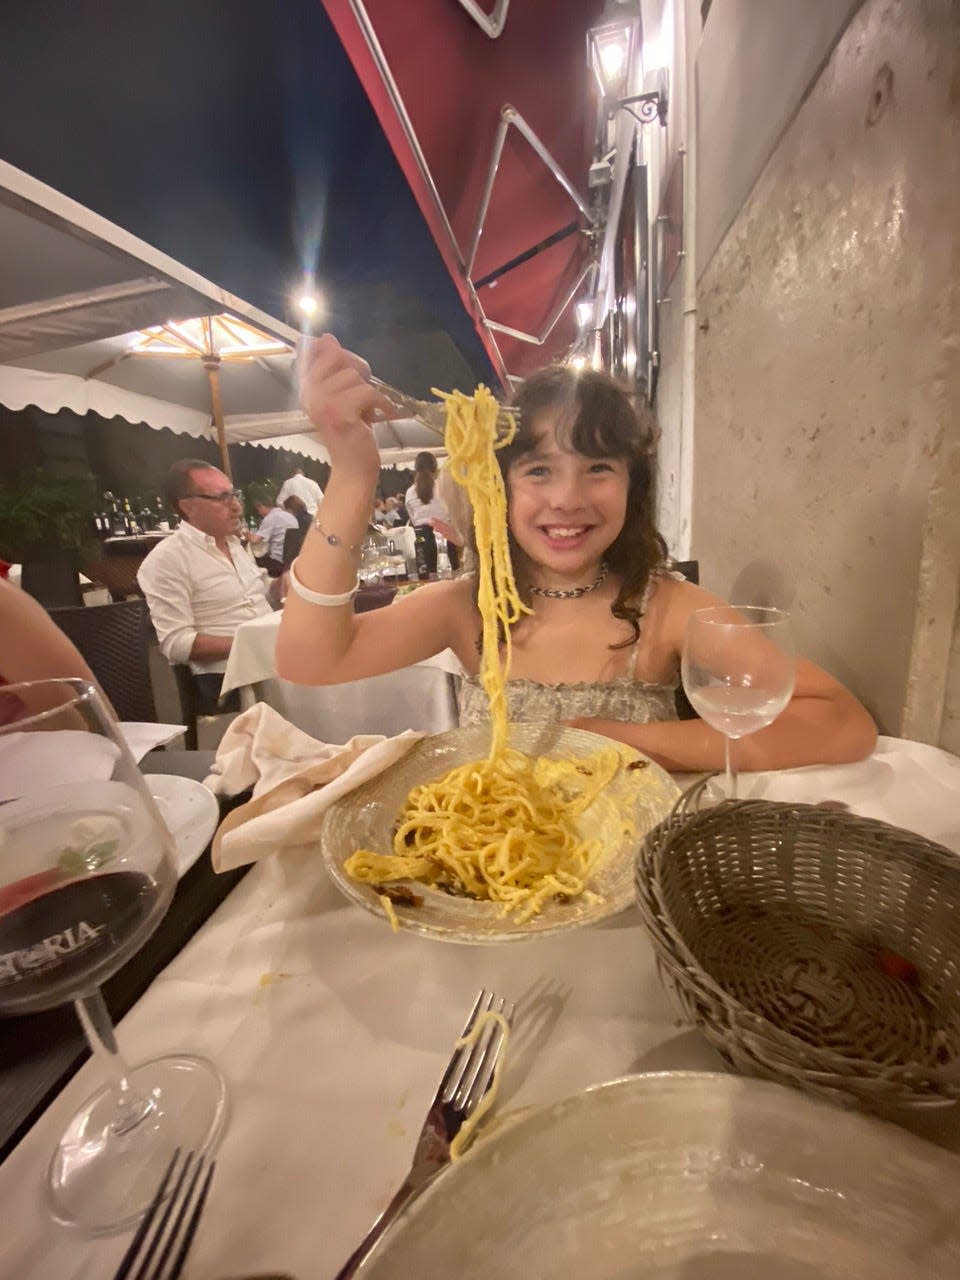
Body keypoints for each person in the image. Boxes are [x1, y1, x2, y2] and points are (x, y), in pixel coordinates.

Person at [276, 335, 877, 773]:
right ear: (498, 485)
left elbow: (840, 722)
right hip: (493, 890)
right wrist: (354, 472)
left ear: (632, 487)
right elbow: (308, 661)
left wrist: (611, 738)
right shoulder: (470, 607)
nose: (568, 499)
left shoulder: (666, 607)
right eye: (538, 470)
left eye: (598, 469)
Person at [138, 460, 278, 709]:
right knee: (323, 677)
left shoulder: (235, 545)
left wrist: (285, 584)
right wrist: (254, 642)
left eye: (234, 495)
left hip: (271, 654)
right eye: (221, 498)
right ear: (187, 507)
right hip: (225, 674)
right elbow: (176, 644)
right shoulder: (166, 560)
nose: (237, 507)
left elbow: (261, 595)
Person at [404, 452, 460, 573]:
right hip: (444, 535)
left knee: (427, 579)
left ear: (416, 468)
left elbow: (413, 520)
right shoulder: (443, 487)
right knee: (451, 577)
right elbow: (454, 513)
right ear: (435, 467)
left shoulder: (409, 492)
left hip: (421, 540)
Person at [249, 497, 298, 577]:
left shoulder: (271, 517)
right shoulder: (289, 516)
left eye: (258, 510)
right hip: (292, 559)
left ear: (261, 506)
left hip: (277, 561)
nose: (259, 513)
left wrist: (244, 533)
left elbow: (254, 540)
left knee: (251, 561)